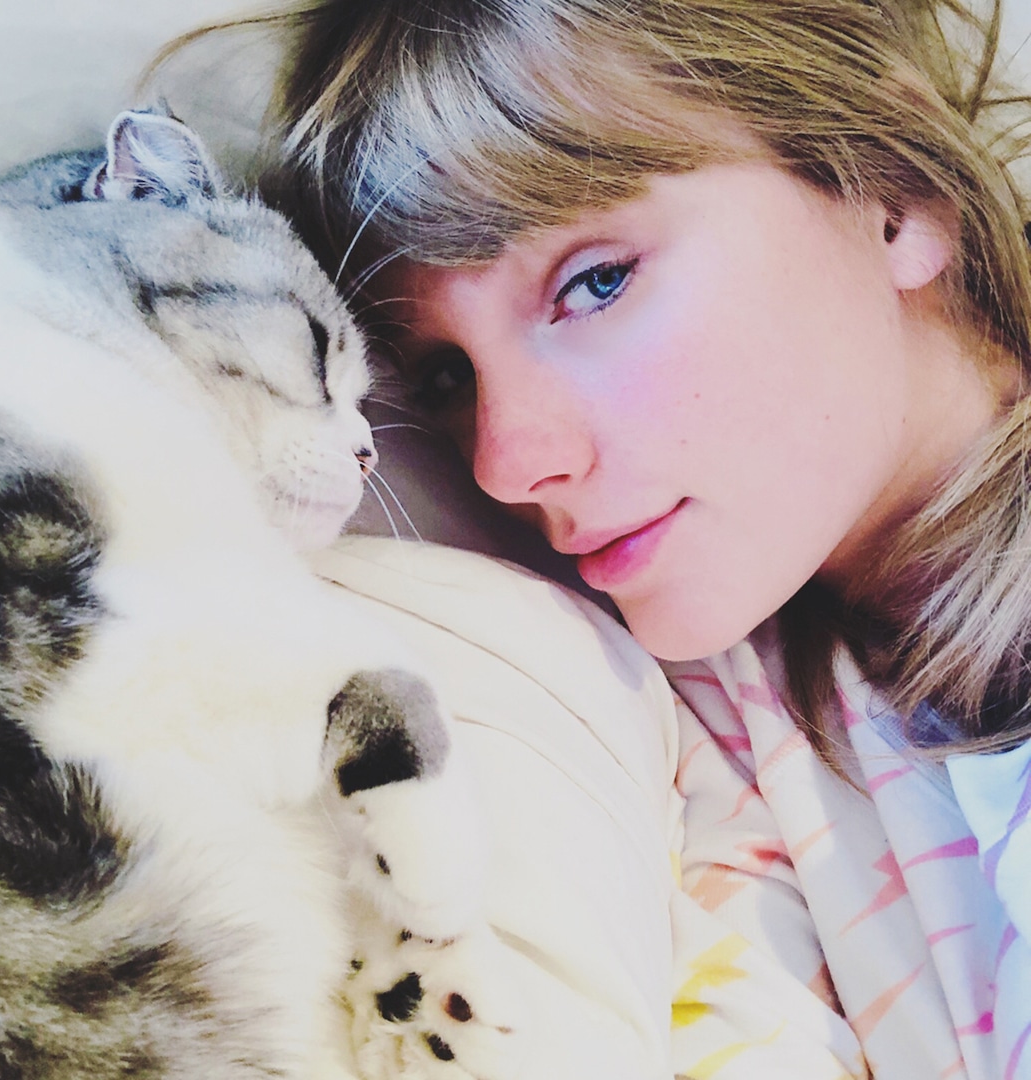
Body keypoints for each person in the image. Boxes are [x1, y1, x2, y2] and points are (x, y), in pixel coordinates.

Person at [171, 0, 1031, 1074]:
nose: (503, 462)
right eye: (446, 379)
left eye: (596, 283)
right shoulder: (718, 714)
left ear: (894, 192)